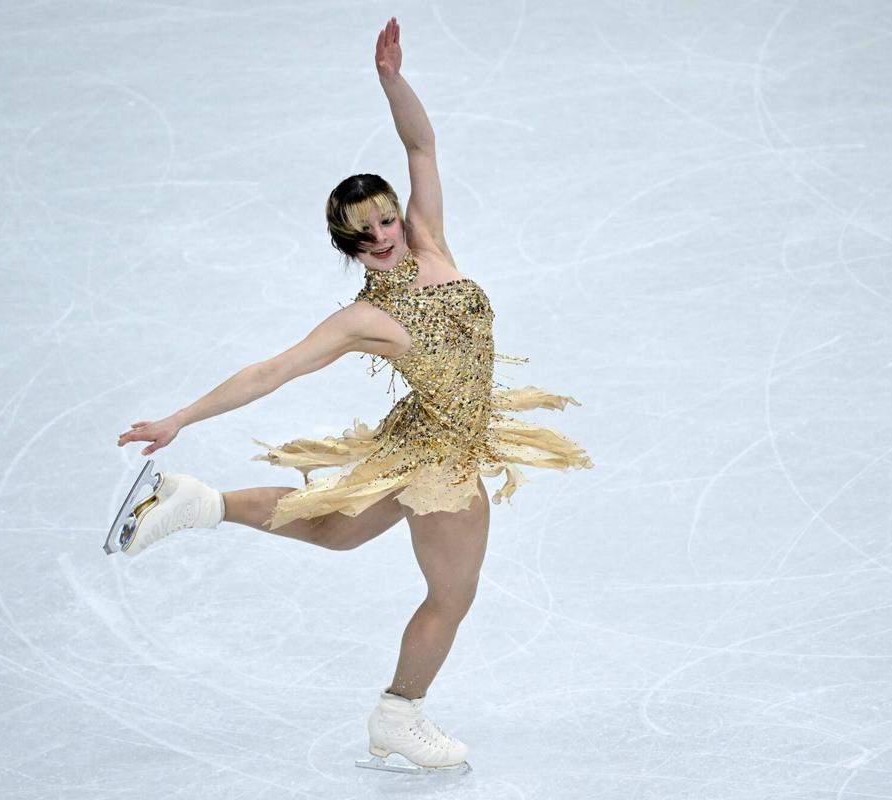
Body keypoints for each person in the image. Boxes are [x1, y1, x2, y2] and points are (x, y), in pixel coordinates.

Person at [112, 17, 592, 773]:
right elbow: (271, 372)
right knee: (451, 598)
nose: (383, 235)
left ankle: (194, 501)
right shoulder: (365, 318)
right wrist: (180, 417)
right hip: (440, 464)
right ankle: (400, 713)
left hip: (422, 435)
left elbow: (421, 147)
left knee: (337, 533)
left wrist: (391, 81)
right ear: (348, 245)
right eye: (365, 233)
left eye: (386, 219)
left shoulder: (429, 238)